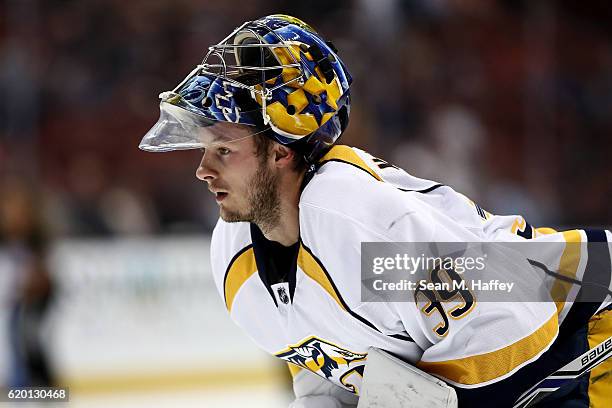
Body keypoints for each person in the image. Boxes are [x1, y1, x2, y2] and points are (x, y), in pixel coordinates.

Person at [139, 15, 611, 408]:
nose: (202, 170)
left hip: (588, 314)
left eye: (223, 150)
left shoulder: (353, 223)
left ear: (282, 150)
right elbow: (333, 366)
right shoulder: (236, 258)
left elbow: (512, 319)